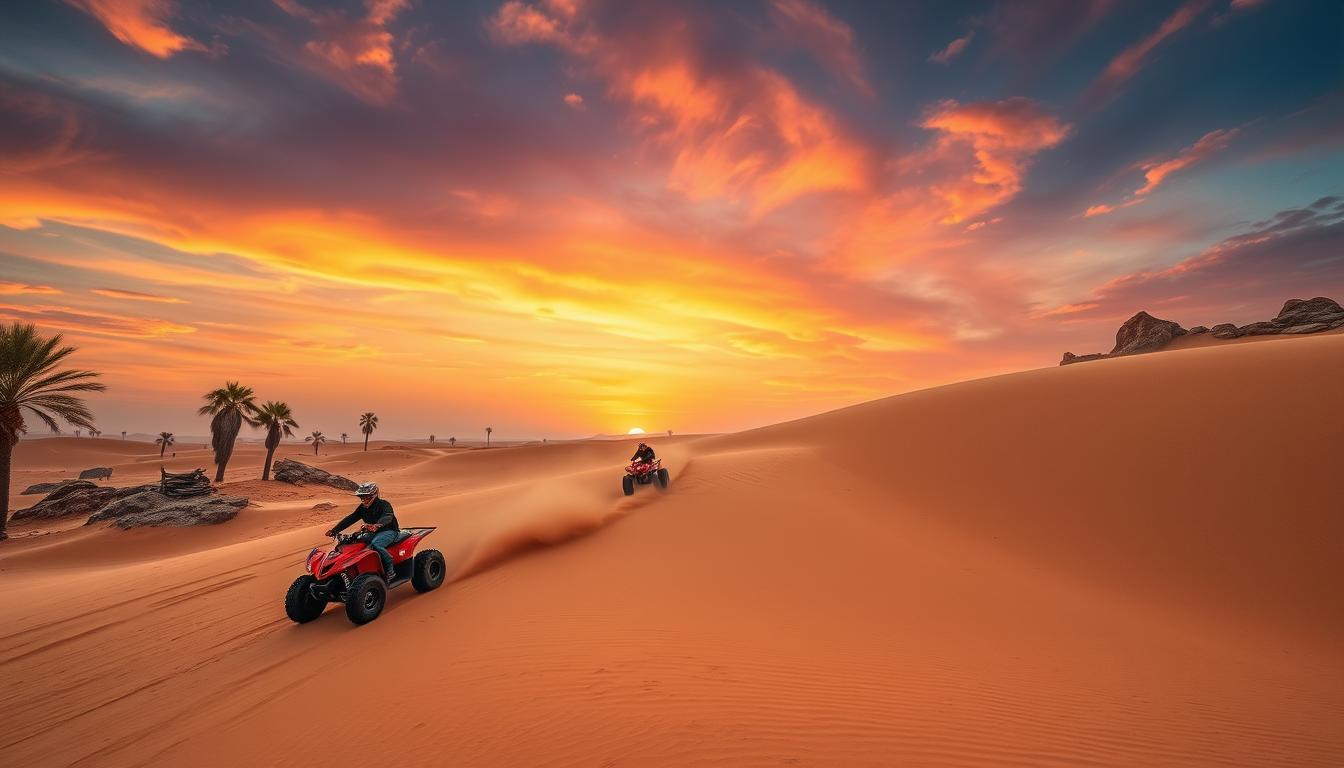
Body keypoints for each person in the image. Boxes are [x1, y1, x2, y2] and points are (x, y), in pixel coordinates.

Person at [326, 482, 400, 579]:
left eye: (366, 497)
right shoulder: (362, 508)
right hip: (373, 532)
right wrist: (335, 530)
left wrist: (377, 525)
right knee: (353, 540)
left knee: (376, 544)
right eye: (362, 497)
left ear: (373, 495)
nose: (364, 500)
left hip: (389, 531)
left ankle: (390, 569)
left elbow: (388, 516)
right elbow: (351, 518)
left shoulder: (384, 504)